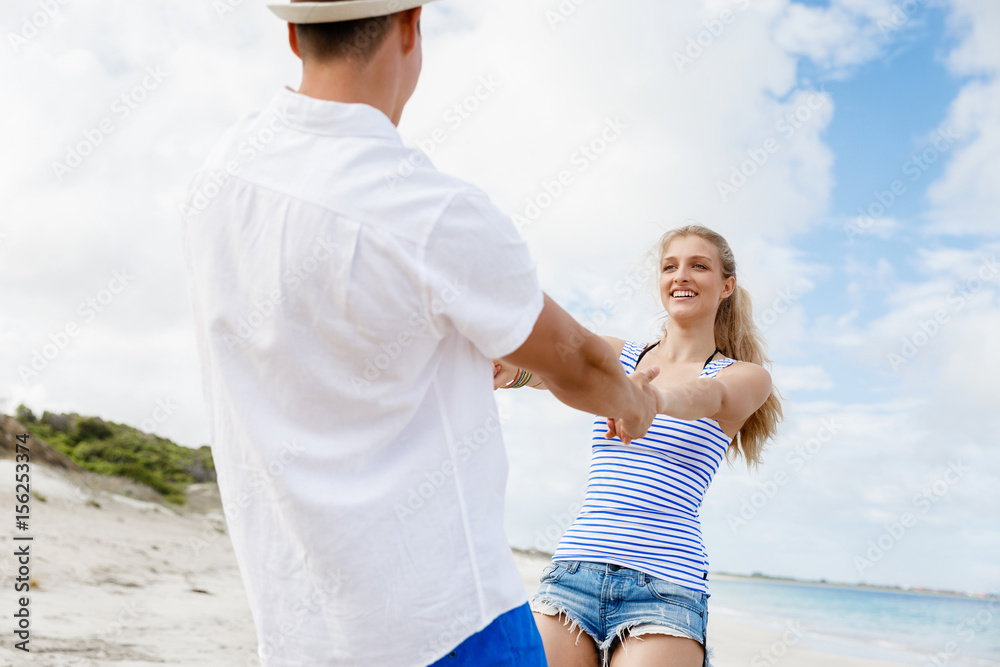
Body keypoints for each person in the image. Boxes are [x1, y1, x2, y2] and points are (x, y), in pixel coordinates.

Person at [179, 0, 665, 665]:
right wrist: (635, 400)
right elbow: (578, 361)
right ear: (411, 25)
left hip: (299, 631)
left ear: (294, 34)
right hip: (449, 625)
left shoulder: (219, 174)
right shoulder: (433, 210)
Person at [493, 224, 783, 667]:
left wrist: (652, 401)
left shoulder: (745, 376)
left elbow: (710, 396)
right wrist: (512, 372)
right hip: (574, 572)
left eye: (698, 266)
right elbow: (557, 369)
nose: (681, 276)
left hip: (665, 588)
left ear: (727, 286)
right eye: (670, 267)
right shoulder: (620, 355)